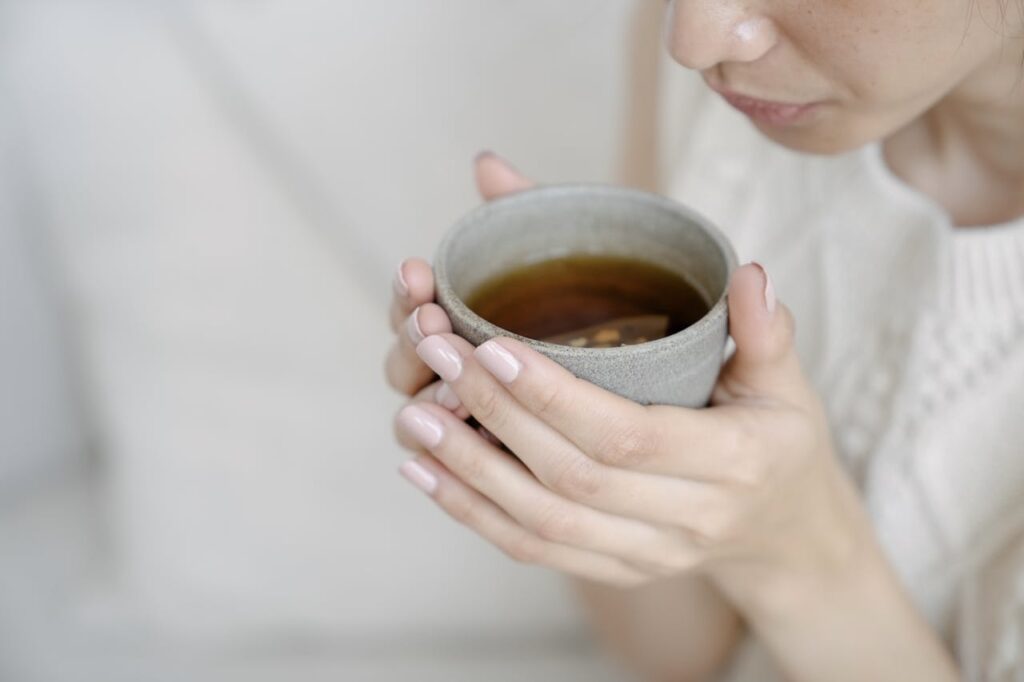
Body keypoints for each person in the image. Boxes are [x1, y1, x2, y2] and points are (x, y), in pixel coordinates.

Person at [384, 0, 1024, 679]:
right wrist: (571, 442)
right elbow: (683, 661)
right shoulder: (727, 80)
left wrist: (798, 556)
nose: (690, 41)